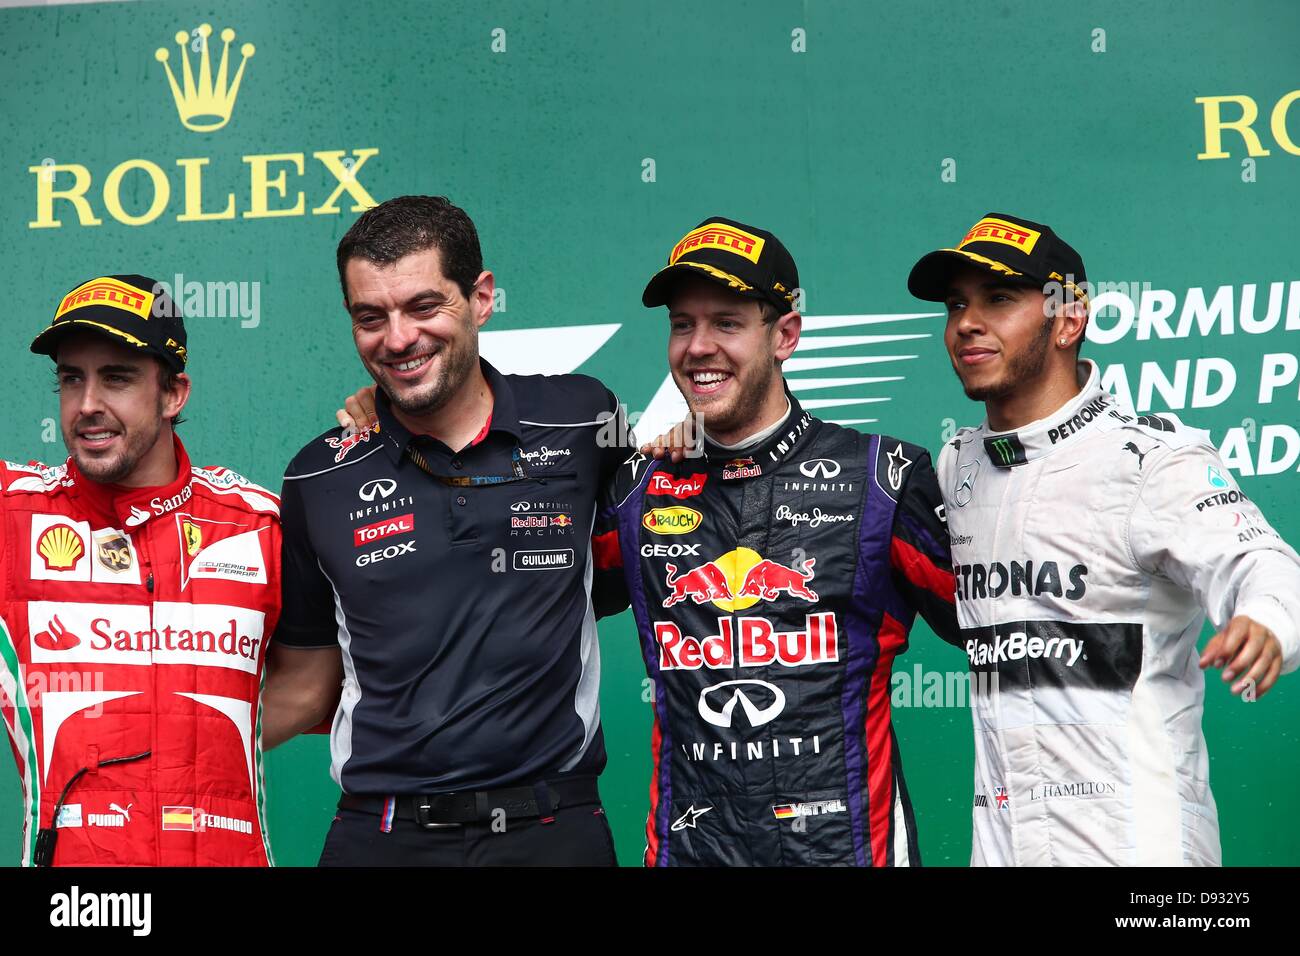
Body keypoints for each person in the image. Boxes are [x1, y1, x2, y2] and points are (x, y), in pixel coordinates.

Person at [907, 212, 1300, 866]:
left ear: (1068, 319)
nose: (966, 323)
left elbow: (1265, 564)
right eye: (956, 305)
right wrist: (682, 458)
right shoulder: (958, 464)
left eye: (999, 299)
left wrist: (1267, 621)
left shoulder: (1151, 460)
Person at [263, 195, 630, 866]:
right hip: (382, 835)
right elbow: (310, 679)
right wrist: (177, 748)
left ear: (482, 297)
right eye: (370, 317)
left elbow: (665, 534)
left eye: (424, 307)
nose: (397, 339)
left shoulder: (583, 420)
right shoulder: (320, 475)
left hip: (554, 828)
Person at [590, 217, 960, 866]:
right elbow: (526, 600)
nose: (698, 346)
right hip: (689, 852)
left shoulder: (884, 479)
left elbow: (995, 623)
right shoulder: (635, 488)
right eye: (683, 324)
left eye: (727, 323)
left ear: (785, 333)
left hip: (847, 853)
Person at [0, 274, 282, 866]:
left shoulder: (258, 525)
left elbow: (327, 679)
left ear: (175, 394)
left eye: (118, 378)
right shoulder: (13, 515)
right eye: (71, 378)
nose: (86, 405)